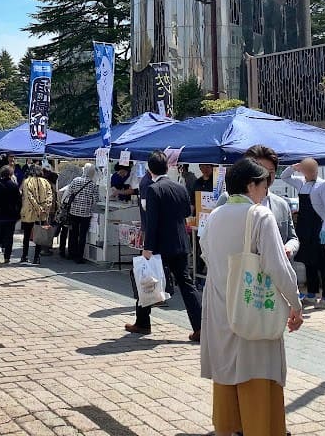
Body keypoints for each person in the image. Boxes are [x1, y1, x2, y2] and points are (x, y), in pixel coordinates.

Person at [199, 157, 303, 436]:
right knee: (256, 373)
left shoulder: (215, 215)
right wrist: (295, 303)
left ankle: (228, 426)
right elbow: (277, 266)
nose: (267, 189)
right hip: (252, 307)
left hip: (220, 306)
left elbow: (205, 255)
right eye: (264, 183)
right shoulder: (259, 215)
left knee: (227, 372)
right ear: (251, 185)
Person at [125, 151, 202, 341]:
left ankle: (143, 323)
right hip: (180, 242)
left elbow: (152, 222)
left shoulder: (153, 189)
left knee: (147, 279)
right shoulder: (180, 187)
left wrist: (147, 247)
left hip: (160, 244)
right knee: (186, 284)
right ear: (167, 167)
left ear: (150, 170)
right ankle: (200, 327)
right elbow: (186, 212)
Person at [283, 158, 325, 308]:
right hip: (304, 228)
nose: (312, 173)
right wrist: (294, 167)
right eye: (308, 170)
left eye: (314, 170)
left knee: (323, 263)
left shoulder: (323, 185)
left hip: (318, 228)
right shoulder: (301, 182)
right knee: (308, 262)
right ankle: (311, 295)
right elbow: (284, 177)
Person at [63, 164, 99, 264]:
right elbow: (96, 199)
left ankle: (71, 253)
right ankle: (79, 257)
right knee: (82, 235)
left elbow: (69, 192)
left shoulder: (75, 180)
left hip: (73, 211)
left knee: (73, 233)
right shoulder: (93, 184)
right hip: (86, 214)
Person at [19, 166, 54, 265]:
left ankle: (24, 256)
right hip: (42, 214)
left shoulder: (27, 181)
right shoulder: (46, 182)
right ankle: (36, 258)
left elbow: (29, 197)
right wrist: (44, 209)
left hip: (29, 212)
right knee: (39, 235)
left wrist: (38, 208)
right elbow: (50, 197)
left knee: (26, 235)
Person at [0, 167, 21, 264]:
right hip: (10, 216)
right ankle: (7, 257)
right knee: (9, 237)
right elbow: (19, 202)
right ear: (11, 175)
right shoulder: (14, 186)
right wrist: (17, 214)